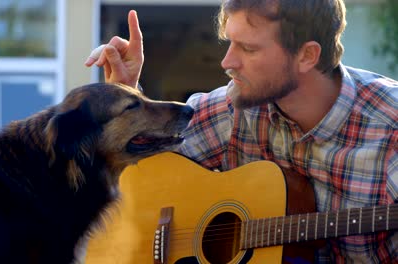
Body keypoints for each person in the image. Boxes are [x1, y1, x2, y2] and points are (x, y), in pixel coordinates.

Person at [85, 0, 398, 262]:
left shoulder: (390, 131)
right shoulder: (235, 110)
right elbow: (133, 174)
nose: (226, 62)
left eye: (247, 48)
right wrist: (126, 96)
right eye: (229, 42)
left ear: (307, 56)